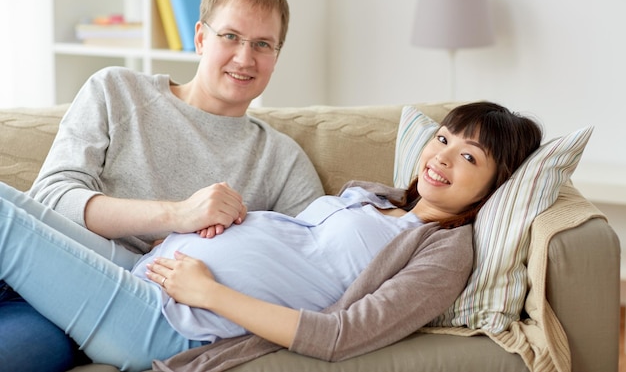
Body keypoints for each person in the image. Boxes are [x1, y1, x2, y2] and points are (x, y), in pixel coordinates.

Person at [0, 102, 542, 372]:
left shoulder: (446, 250)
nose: (441, 156)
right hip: (147, 269)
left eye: (468, 156)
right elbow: (297, 245)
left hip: (168, 320)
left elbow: (342, 335)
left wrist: (211, 292)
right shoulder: (380, 199)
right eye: (443, 138)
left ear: (497, 184)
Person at [0, 0, 324, 372]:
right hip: (27, 266)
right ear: (201, 38)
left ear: (276, 56)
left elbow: (310, 266)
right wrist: (176, 216)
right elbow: (50, 199)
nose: (245, 58)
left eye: (262, 44)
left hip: (100, 311)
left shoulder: (281, 159)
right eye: (230, 37)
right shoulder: (116, 90)